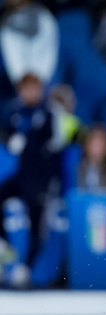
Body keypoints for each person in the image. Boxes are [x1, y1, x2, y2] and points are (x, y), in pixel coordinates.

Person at [0, 73, 62, 287]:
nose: (29, 93)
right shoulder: (15, 111)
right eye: (25, 89)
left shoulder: (48, 112)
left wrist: (28, 141)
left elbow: (54, 141)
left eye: (34, 88)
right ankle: (4, 244)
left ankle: (25, 267)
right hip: (21, 174)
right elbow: (6, 131)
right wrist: (10, 139)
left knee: (37, 223)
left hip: (40, 178)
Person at [77, 123, 106, 190]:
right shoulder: (79, 168)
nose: (98, 149)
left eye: (101, 145)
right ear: (87, 145)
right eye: (95, 144)